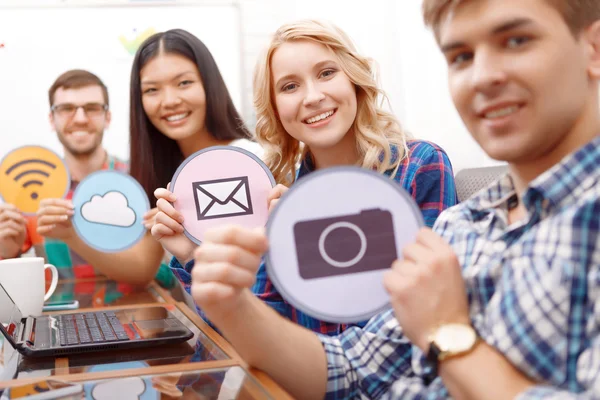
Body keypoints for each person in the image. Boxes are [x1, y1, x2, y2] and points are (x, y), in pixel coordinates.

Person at [186, 1, 600, 398]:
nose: (482, 77)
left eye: (516, 41)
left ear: (593, 49)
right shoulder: (467, 224)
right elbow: (352, 369)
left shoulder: (421, 168)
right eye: (459, 57)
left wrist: (446, 336)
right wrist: (230, 302)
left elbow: (402, 338)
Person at [153, 20, 457, 336]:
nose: (312, 97)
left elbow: (415, 320)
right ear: (275, 109)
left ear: (354, 80)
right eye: (289, 86)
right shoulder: (279, 199)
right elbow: (256, 333)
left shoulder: (419, 166)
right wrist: (190, 253)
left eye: (327, 73)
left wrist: (305, 248)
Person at [32, 29, 259, 286]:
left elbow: (254, 278)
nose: (170, 100)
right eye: (152, 89)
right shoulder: (158, 173)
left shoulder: (248, 160)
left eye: (184, 82)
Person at [0, 70, 137, 279]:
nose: (80, 119)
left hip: (134, 308)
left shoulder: (136, 180)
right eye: (66, 109)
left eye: (92, 108)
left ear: (107, 118)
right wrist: (7, 253)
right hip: (56, 310)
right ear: (52, 120)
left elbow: (160, 274)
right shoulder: (26, 190)